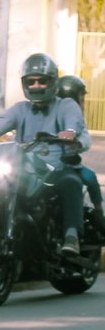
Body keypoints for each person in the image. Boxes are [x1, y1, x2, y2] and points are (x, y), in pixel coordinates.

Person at [0, 54, 92, 256]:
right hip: (27, 168)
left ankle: (71, 235)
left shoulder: (65, 105)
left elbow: (73, 120)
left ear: (53, 82)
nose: (37, 85)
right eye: (31, 81)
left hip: (56, 169)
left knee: (71, 182)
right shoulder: (20, 109)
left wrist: (70, 133)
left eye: (42, 81)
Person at [56, 74, 104, 235]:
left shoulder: (77, 119)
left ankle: (98, 211)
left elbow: (85, 137)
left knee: (90, 177)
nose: (83, 103)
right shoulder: (52, 113)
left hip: (71, 166)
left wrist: (78, 143)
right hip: (47, 165)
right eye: (81, 99)